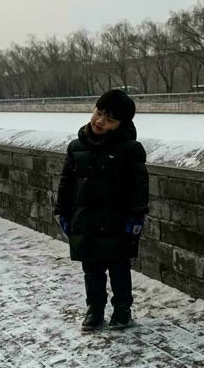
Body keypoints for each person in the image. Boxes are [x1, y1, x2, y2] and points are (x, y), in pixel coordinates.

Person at [54, 89, 149, 331]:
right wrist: (62, 213)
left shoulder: (130, 149)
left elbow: (139, 187)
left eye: (110, 119)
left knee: (119, 270)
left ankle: (122, 310)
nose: (100, 121)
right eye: (99, 113)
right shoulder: (76, 147)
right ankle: (94, 309)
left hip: (117, 221)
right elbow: (67, 184)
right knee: (92, 271)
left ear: (121, 124)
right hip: (85, 221)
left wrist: (136, 217)